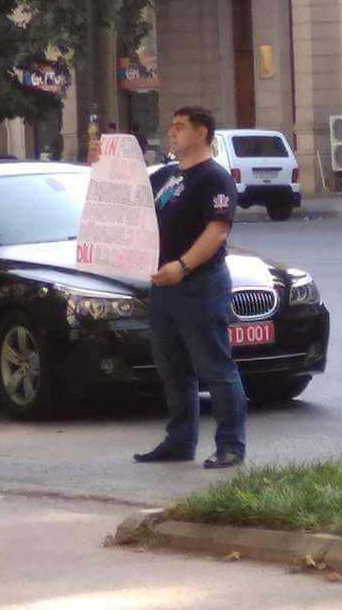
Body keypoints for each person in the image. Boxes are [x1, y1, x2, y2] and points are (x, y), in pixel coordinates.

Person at [134, 106, 246, 469]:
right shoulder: (167, 175)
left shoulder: (214, 178)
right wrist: (102, 164)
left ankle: (231, 445)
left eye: (180, 127)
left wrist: (183, 266)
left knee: (215, 367)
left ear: (201, 133)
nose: (172, 132)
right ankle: (179, 442)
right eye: (172, 126)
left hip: (199, 284)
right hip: (164, 285)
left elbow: (217, 230)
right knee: (173, 369)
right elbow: (129, 198)